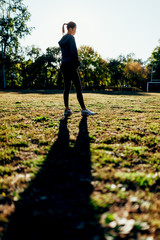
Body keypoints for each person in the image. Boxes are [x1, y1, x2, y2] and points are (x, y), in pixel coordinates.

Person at [58, 21, 95, 116]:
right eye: (75, 29)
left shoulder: (63, 39)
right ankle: (84, 110)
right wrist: (77, 63)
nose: (75, 31)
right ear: (71, 28)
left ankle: (67, 109)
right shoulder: (71, 38)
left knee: (67, 88)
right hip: (70, 65)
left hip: (63, 65)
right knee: (78, 87)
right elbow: (74, 52)